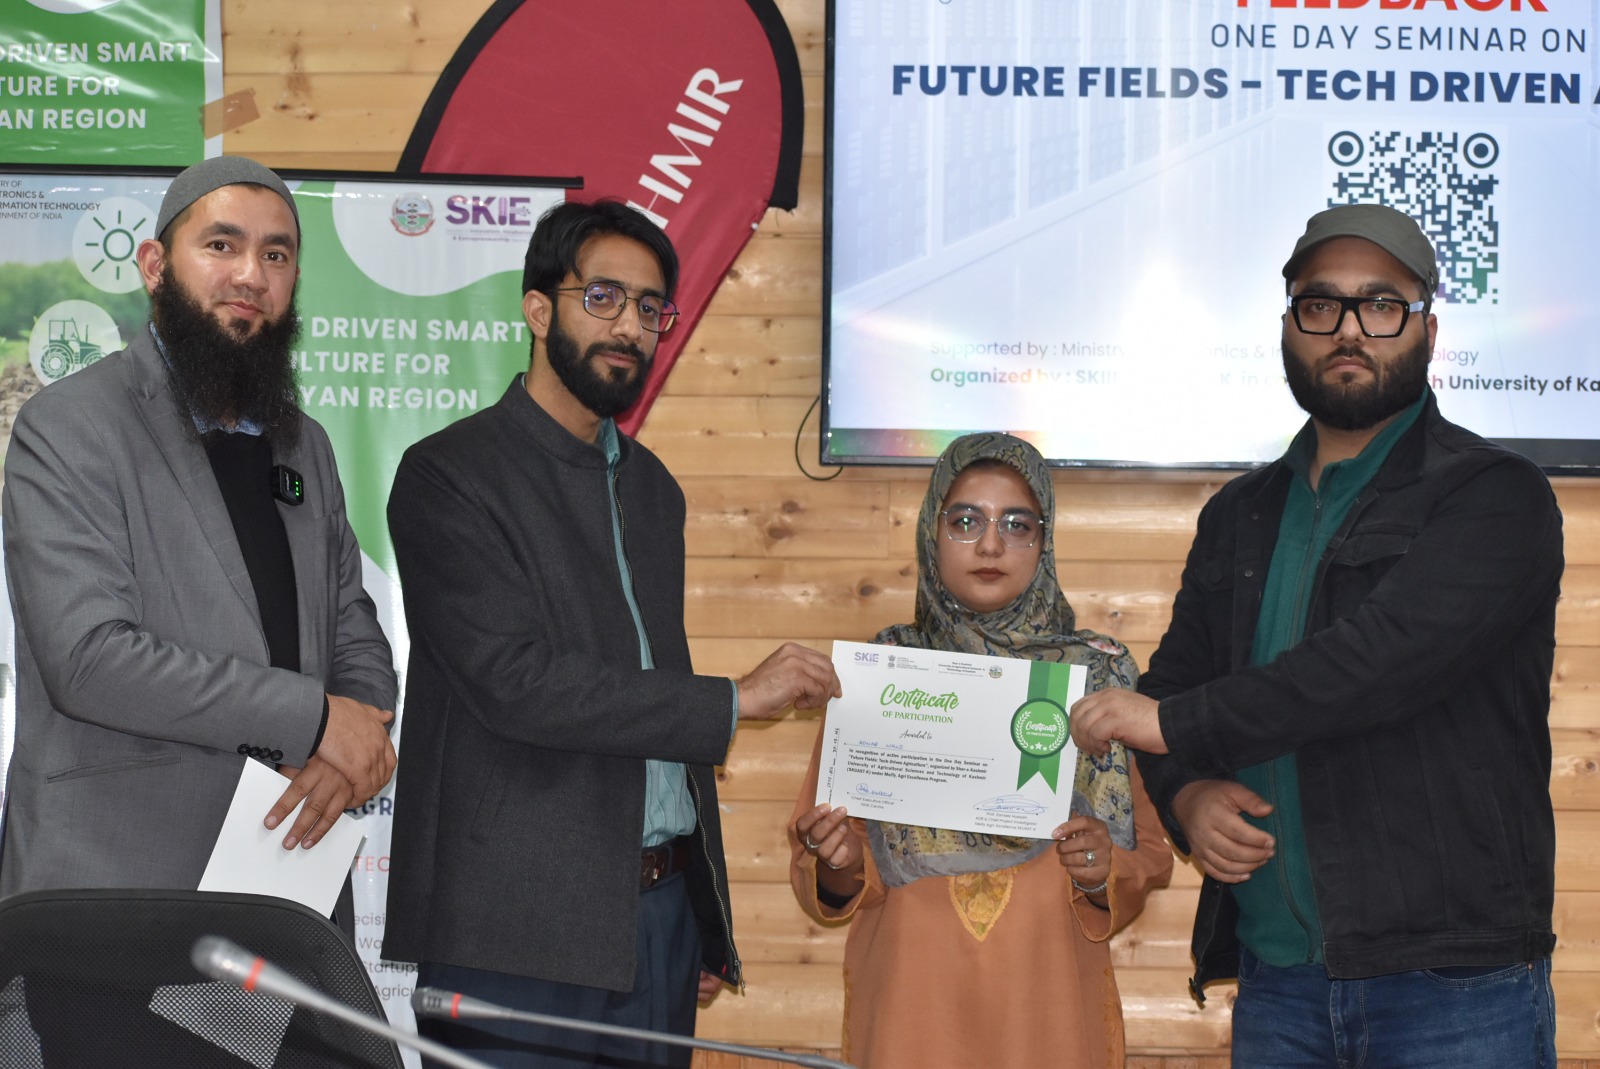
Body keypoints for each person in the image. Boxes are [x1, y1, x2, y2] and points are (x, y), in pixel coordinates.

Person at [1072, 203, 1562, 1067]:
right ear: (1289, 327)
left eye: (1382, 304)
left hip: (1455, 988)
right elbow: (1171, 682)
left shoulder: (1497, 495)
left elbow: (1376, 663)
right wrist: (1187, 796)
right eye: (1321, 303)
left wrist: (1174, 726)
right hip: (1278, 985)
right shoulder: (1239, 512)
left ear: (1428, 330)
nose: (1349, 328)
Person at [381, 199, 842, 1069]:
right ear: (538, 308)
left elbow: (650, 689)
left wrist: (698, 910)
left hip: (655, 924)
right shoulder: (448, 475)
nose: (629, 325)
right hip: (514, 934)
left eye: (649, 307)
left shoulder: (652, 487)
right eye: (603, 297)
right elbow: (517, 684)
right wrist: (734, 699)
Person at [0, 156, 398, 903]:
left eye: (275, 255)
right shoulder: (69, 424)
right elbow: (88, 658)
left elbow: (354, 631)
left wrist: (346, 747)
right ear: (155, 265)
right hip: (115, 891)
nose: (251, 274)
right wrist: (315, 722)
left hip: (286, 881)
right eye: (221, 245)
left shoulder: (303, 444)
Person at [789, 432, 1173, 1069]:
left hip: (1048, 1016)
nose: (990, 545)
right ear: (931, 534)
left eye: (1017, 525)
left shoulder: (1095, 686)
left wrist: (1101, 870)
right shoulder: (880, 679)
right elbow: (831, 869)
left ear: (1044, 542)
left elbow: (1149, 854)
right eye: (965, 521)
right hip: (912, 1014)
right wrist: (836, 861)